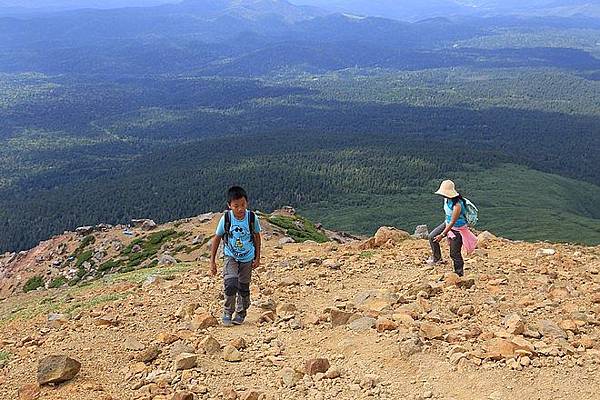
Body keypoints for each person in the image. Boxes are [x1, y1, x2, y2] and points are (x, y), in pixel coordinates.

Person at [210, 186, 262, 326]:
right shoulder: (226, 218)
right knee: (231, 284)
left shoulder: (251, 218)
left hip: (247, 257)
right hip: (230, 255)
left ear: (247, 203)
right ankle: (228, 311)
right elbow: (217, 238)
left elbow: (257, 237)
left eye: (243, 205)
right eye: (236, 206)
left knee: (243, 287)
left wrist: (257, 257)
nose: (240, 209)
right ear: (229, 205)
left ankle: (241, 312)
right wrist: (212, 262)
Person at [427, 180, 477, 277]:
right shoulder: (447, 199)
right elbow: (448, 218)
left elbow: (452, 222)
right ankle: (437, 259)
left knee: (454, 253)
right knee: (432, 236)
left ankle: (459, 273)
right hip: (447, 223)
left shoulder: (457, 205)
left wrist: (442, 235)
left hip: (458, 229)